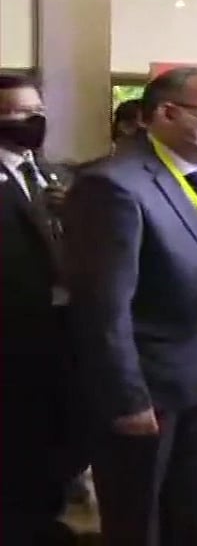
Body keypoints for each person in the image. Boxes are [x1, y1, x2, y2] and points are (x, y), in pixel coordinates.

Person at [63, 67, 197, 546]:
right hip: (150, 383)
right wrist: (125, 397)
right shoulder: (113, 185)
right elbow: (102, 308)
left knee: (193, 505)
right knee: (139, 515)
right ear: (166, 113)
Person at [0, 73, 78, 546]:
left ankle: (44, 516)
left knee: (53, 429)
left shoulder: (50, 172)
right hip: (11, 331)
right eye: (11, 112)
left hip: (58, 328)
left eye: (34, 111)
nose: (26, 121)